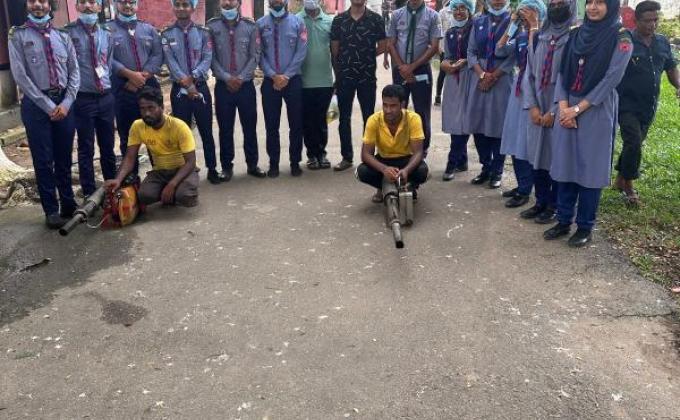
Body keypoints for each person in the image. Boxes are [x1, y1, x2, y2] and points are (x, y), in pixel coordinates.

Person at [544, 0, 633, 247]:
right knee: (565, 165)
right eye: (590, 2)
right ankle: (563, 220)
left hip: (596, 107)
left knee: (590, 169)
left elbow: (611, 78)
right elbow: (562, 71)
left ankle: (585, 226)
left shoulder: (621, 37)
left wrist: (576, 109)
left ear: (611, 6)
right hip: (567, 107)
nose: (593, 7)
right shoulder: (576, 34)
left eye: (600, 2)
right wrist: (564, 107)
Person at [9, 0, 80, 229]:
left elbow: (74, 72)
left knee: (64, 157)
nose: (37, 5)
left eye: (43, 0)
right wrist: (49, 106)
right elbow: (20, 76)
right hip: (36, 106)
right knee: (43, 160)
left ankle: (68, 203)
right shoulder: (17, 36)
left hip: (64, 104)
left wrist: (67, 103)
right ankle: (51, 210)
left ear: (50, 5)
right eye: (32, 0)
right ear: (27, 4)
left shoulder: (63, 36)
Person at [614, 0, 680, 205]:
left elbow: (671, 67)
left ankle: (620, 178)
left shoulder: (662, 42)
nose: (652, 24)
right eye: (647, 20)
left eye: (655, 20)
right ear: (636, 20)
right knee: (634, 142)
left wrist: (678, 85)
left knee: (634, 143)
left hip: (649, 105)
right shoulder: (625, 41)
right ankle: (629, 186)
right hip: (626, 104)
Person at [522, 0, 576, 224]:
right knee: (536, 156)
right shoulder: (539, 36)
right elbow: (528, 73)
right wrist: (532, 106)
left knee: (555, 158)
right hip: (537, 105)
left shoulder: (574, 39)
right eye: (552, 3)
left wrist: (554, 111)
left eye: (562, 3)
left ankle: (554, 205)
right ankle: (540, 201)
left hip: (560, 106)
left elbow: (571, 78)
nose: (556, 7)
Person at [105, 86, 199, 208]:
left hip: (182, 170)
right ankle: (169, 191)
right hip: (160, 172)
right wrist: (118, 180)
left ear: (162, 107)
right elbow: (129, 158)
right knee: (144, 196)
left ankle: (178, 189)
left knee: (184, 196)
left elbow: (191, 162)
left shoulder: (179, 127)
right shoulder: (137, 126)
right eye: (142, 109)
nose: (146, 113)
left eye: (151, 108)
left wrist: (172, 184)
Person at [162, 0, 223, 184]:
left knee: (206, 131)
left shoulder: (204, 33)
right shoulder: (166, 34)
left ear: (192, 8)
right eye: (178, 5)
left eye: (185, 5)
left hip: (200, 88)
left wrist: (193, 77)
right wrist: (186, 83)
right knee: (182, 133)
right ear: (173, 8)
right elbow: (170, 61)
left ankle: (212, 169)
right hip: (179, 91)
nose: (181, 8)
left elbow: (207, 58)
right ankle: (186, 171)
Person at [208, 0, 267, 182]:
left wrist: (240, 78)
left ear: (239, 2)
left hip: (245, 86)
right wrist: (227, 78)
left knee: (249, 128)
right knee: (225, 129)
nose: (228, 3)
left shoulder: (250, 26)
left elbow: (255, 55)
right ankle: (226, 167)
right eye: (224, 0)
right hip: (223, 87)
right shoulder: (212, 27)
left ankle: (252, 164)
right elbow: (210, 57)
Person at [65, 0, 117, 199]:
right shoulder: (67, 33)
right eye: (83, 2)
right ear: (77, 7)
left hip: (105, 98)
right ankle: (89, 192)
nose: (88, 5)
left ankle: (112, 187)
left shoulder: (107, 33)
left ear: (99, 7)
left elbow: (108, 63)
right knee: (86, 147)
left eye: (93, 2)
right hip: (82, 99)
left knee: (108, 145)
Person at [498, 0, 546, 207]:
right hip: (518, 90)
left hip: (534, 91)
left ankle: (526, 189)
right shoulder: (520, 35)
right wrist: (512, 25)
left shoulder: (544, 36)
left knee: (527, 141)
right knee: (514, 138)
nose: (526, 16)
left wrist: (534, 26)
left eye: (530, 12)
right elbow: (500, 50)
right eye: (523, 13)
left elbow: (538, 61)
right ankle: (521, 185)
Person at [331, 0, 387, 172]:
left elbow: (382, 46)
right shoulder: (339, 20)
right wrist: (340, 71)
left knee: (369, 118)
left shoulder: (376, 19)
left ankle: (368, 157)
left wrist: (366, 55)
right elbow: (334, 49)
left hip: (367, 76)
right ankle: (346, 157)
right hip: (345, 77)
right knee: (344, 118)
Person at [465, 0, 513, 189]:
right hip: (479, 76)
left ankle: (497, 170)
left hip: (502, 77)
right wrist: (482, 74)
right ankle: (486, 166)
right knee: (478, 123)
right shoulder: (478, 21)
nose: (497, 1)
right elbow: (471, 51)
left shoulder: (514, 22)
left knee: (498, 124)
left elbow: (515, 54)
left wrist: (494, 76)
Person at [257, 0, 308, 178]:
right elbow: (259, 54)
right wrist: (273, 75)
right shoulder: (260, 24)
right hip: (270, 82)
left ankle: (295, 162)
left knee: (296, 125)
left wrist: (286, 76)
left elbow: (301, 51)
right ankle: (273, 163)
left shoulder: (298, 23)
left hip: (292, 81)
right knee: (271, 126)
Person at [109, 0, 162, 161]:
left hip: (149, 86)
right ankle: (131, 174)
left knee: (156, 131)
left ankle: (160, 170)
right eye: (123, 2)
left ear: (137, 4)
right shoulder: (107, 30)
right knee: (128, 135)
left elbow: (158, 54)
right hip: (123, 87)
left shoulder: (149, 29)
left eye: (132, 2)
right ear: (115, 4)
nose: (128, 6)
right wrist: (129, 75)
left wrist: (141, 77)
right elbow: (106, 57)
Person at [356, 85, 429, 202]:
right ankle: (382, 187)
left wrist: (406, 170)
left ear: (402, 104)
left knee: (423, 172)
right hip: (383, 159)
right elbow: (365, 154)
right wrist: (384, 169)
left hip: (406, 160)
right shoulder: (373, 120)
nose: (388, 110)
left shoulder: (413, 119)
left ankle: (408, 186)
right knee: (362, 172)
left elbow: (418, 152)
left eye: (393, 106)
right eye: (385, 105)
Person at [387, 0, 442, 152]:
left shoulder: (433, 16)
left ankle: (422, 150)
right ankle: (398, 148)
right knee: (397, 110)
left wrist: (412, 67)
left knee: (422, 112)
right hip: (400, 70)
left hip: (421, 70)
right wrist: (402, 67)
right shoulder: (396, 15)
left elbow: (434, 46)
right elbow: (391, 43)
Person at [439, 0, 474, 180]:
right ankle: (462, 160)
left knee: (463, 119)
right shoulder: (450, 32)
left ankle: (452, 162)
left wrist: (466, 61)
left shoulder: (475, 28)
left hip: (470, 76)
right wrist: (445, 64)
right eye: (455, 8)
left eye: (462, 8)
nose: (459, 12)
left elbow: (478, 52)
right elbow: (446, 56)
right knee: (454, 118)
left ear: (469, 10)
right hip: (453, 78)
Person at [298, 0, 334, 170]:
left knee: (321, 120)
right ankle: (311, 155)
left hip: (325, 80)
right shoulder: (296, 20)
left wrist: (337, 76)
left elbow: (335, 50)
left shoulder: (329, 21)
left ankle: (322, 153)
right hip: (303, 80)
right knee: (307, 120)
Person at [434, 0, 453, 106]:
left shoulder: (463, 10)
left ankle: (451, 97)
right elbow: (438, 31)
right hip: (444, 48)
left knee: (454, 73)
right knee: (442, 73)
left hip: (457, 49)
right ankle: (438, 95)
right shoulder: (442, 12)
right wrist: (438, 47)